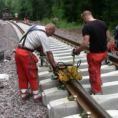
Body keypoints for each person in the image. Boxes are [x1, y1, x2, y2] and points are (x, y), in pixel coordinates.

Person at [72, 10, 115, 95]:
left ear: (85, 17)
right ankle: (99, 83)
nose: (83, 21)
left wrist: (77, 51)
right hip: (103, 53)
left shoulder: (87, 27)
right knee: (97, 69)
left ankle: (97, 91)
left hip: (95, 55)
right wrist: (105, 49)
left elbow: (85, 43)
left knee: (93, 72)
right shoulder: (103, 23)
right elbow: (110, 40)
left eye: (83, 19)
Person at [15, 23, 57, 101]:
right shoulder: (43, 35)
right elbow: (49, 53)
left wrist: (42, 52)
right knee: (32, 73)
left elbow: (35, 43)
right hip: (26, 54)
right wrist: (54, 65)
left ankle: (24, 93)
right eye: (51, 33)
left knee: (22, 73)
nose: (51, 36)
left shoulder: (35, 27)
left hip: (18, 51)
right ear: (49, 29)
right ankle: (36, 94)